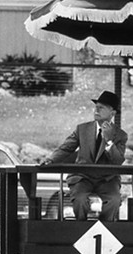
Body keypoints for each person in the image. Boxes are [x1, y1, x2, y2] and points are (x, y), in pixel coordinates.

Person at [42, 90, 128, 221]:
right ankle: (81, 231)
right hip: (82, 177)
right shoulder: (82, 129)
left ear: (113, 113)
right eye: (96, 107)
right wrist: (50, 160)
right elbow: (66, 148)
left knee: (114, 200)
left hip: (107, 180)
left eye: (101, 107)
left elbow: (117, 161)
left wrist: (109, 141)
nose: (96, 110)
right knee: (80, 200)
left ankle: (104, 230)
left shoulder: (120, 135)